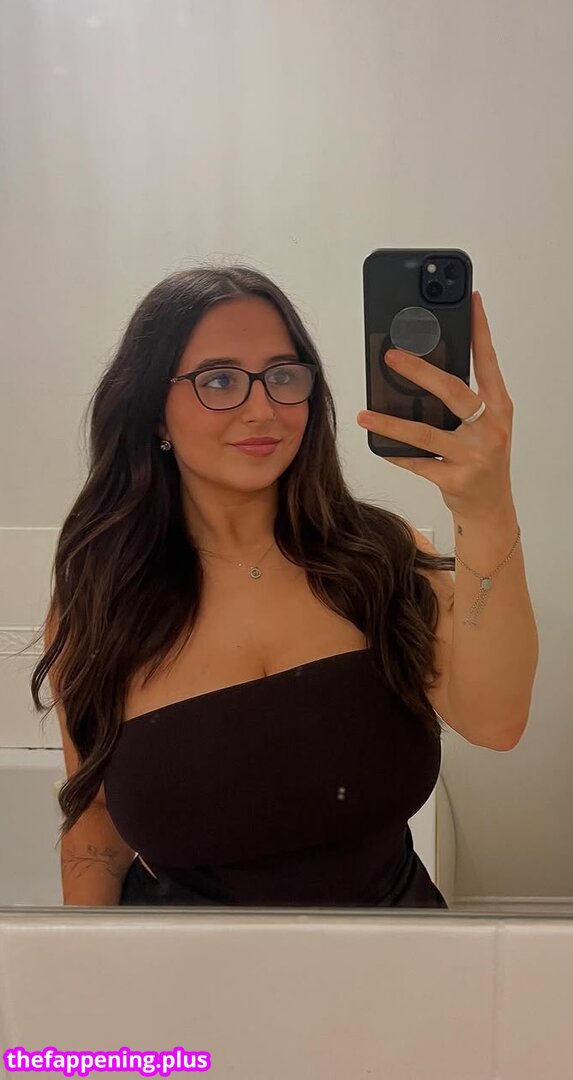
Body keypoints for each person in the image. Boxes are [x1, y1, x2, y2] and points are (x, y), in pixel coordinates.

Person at [33, 265, 456, 908]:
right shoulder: (99, 600)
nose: (262, 410)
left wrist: (486, 507)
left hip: (402, 952)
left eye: (283, 376)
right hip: (182, 965)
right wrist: (89, 957)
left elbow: (499, 721)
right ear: (154, 415)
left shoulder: (384, 560)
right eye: (219, 381)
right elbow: (96, 821)